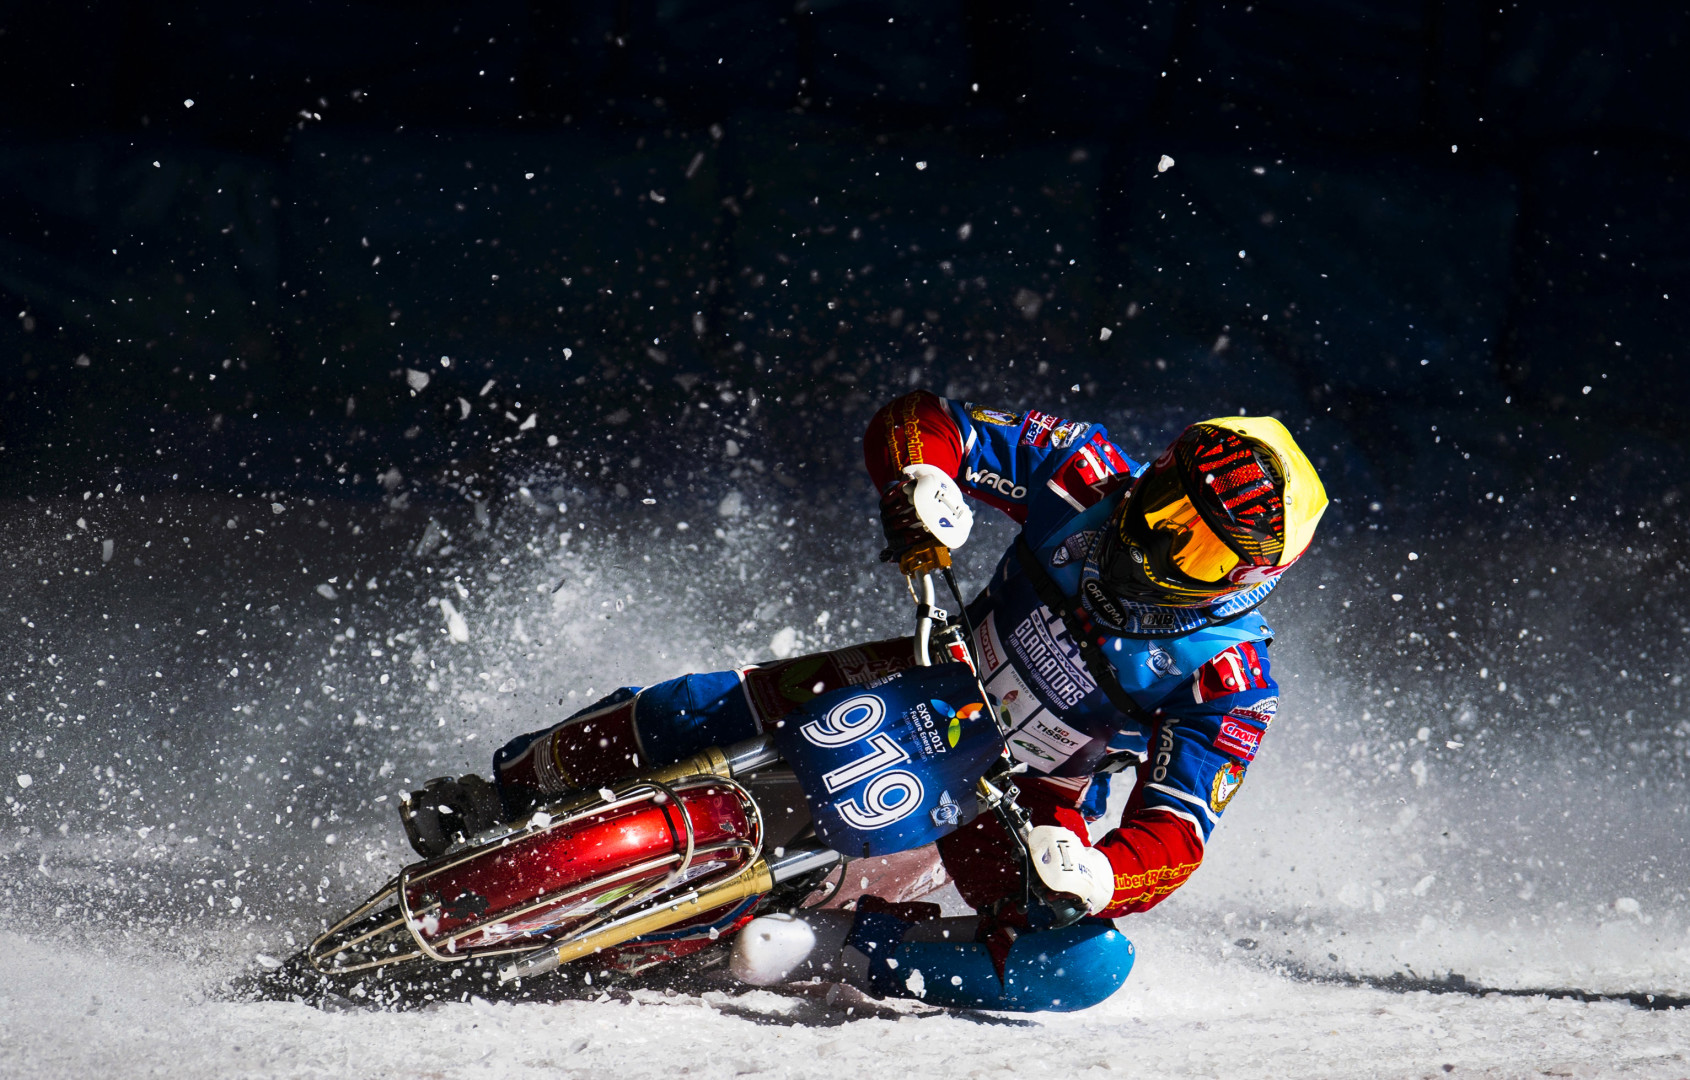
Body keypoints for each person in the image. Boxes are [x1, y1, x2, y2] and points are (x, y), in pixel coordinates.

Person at [400, 389, 1327, 1012]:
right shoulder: (1083, 474)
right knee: (696, 707)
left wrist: (1102, 875)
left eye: (1199, 551)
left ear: (1252, 580)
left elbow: (1180, 830)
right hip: (922, 668)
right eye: (1165, 504)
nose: (1157, 545)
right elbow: (927, 418)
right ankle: (510, 787)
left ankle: (838, 945)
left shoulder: (1229, 684)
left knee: (1087, 967)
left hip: (1016, 805)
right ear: (1153, 472)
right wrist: (920, 478)